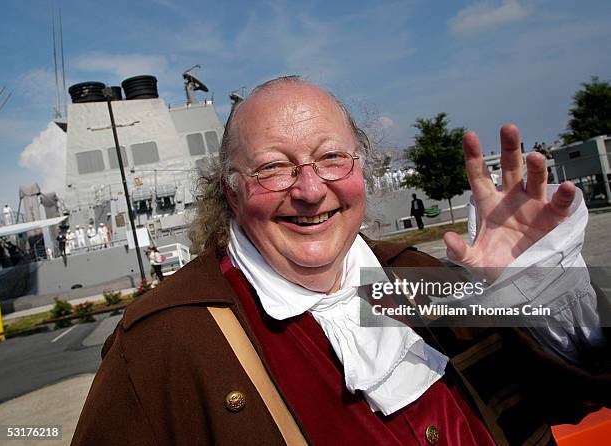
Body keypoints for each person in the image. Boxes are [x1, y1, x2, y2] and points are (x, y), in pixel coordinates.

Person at [73, 77, 609, 445]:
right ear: (231, 193)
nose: (310, 190)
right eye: (273, 168)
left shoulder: (420, 279)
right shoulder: (160, 343)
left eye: (332, 158)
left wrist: (537, 296)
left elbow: (570, 401)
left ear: (361, 169)